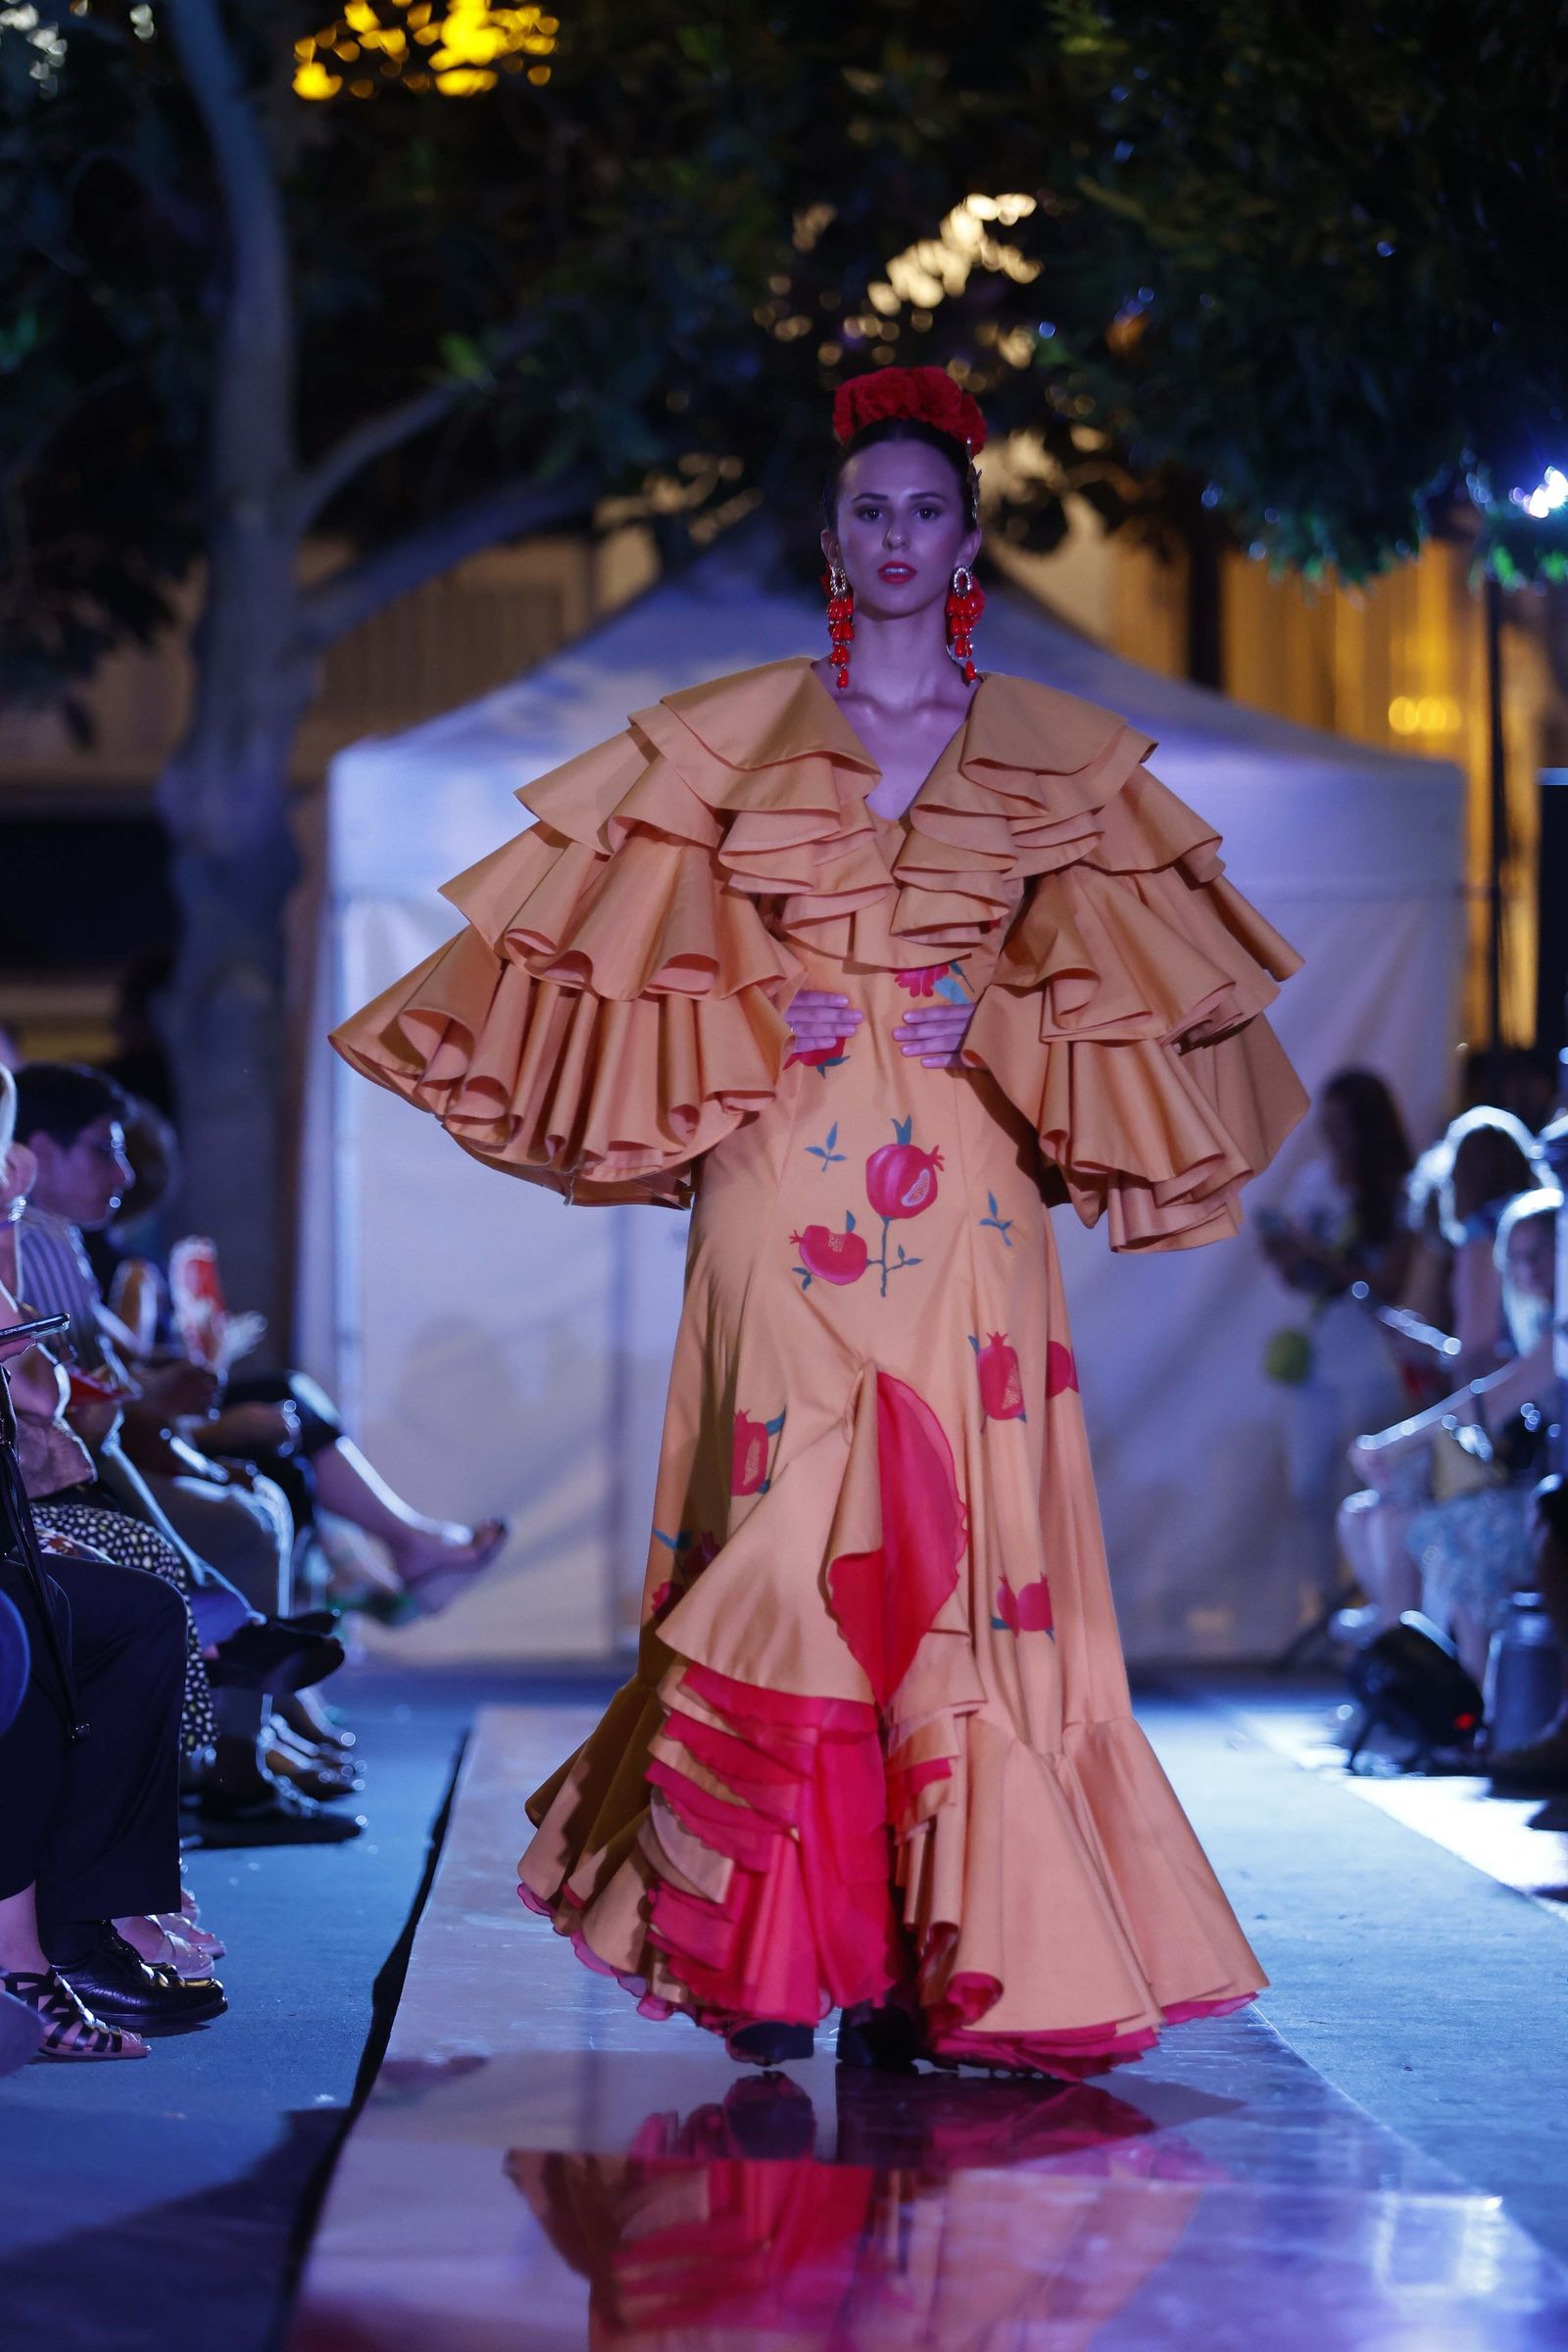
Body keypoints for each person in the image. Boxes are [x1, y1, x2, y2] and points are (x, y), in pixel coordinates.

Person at [333, 366, 1309, 2073]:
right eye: (872, 510)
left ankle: (942, 1957)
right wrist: (740, 1009)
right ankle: (774, 1936)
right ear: (832, 536)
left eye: (927, 510)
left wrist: (998, 1011)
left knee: (966, 1542)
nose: (899, 535)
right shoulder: (730, 743)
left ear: (969, 537)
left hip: (967, 1160)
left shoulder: (1054, 760)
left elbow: (1133, 991)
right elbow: (615, 956)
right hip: (778, 1165)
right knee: (780, 1525)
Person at [1348, 1188, 1560, 1684]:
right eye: (1517, 1258)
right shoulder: (1537, 1326)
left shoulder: (1558, 1335)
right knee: (1372, 1515)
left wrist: (1395, 1442)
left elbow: (1490, 1401)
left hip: (1545, 1500)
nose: (1528, 1269)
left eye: (1540, 1253)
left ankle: (1463, 1689)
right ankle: (1410, 1676)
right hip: (1533, 1492)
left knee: (1449, 1530)